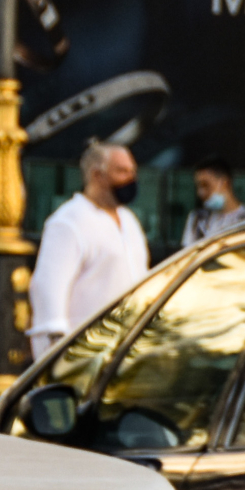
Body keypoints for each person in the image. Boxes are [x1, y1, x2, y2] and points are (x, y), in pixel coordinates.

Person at [28, 139, 149, 359]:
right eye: (122, 171)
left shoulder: (130, 221)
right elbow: (49, 290)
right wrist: (56, 351)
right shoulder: (68, 221)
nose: (131, 179)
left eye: (133, 171)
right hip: (85, 353)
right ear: (96, 175)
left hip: (127, 351)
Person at [182, 158, 245, 248]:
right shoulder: (198, 219)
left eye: (205, 185)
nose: (200, 192)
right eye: (198, 186)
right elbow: (188, 255)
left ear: (224, 183)